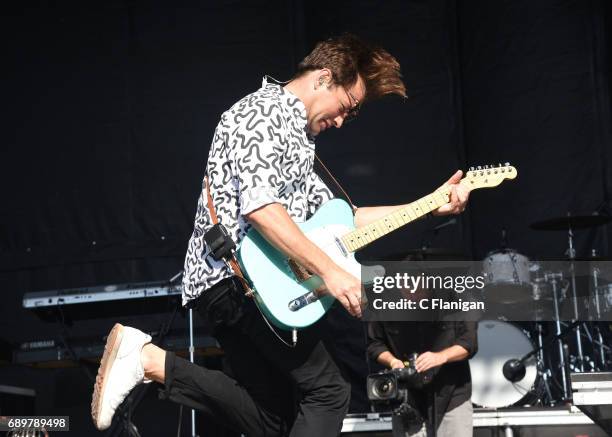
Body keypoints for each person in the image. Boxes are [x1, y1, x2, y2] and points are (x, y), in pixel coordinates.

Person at [90, 34, 471, 436]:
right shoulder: (265, 113)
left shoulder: (299, 137)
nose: (343, 120)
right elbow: (262, 210)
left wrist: (430, 203)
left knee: (273, 420)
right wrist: (332, 273)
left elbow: (345, 219)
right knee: (328, 393)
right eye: (348, 107)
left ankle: (150, 361)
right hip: (239, 284)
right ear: (324, 78)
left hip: (241, 287)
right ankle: (146, 357)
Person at [367, 320, 478, 437]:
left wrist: (441, 356)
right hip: (408, 399)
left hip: (451, 395)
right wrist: (393, 361)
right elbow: (374, 344)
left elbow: (469, 342)